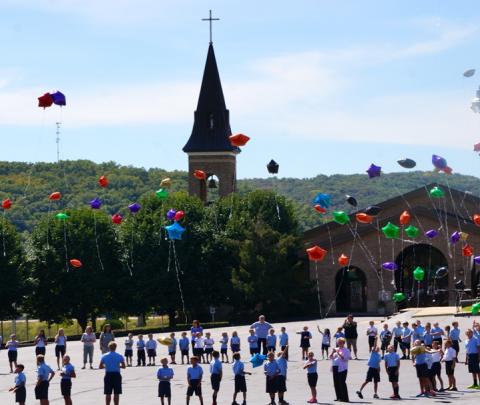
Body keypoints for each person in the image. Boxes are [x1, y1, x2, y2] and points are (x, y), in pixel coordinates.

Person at [330, 337, 350, 403]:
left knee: (342, 382)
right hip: (335, 367)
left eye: (340, 342)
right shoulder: (336, 349)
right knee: (336, 382)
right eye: (338, 342)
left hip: (342, 368)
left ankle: (345, 397)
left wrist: (339, 354)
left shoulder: (346, 350)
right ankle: (338, 396)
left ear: (343, 343)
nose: (339, 344)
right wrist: (333, 353)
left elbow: (346, 359)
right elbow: (330, 357)